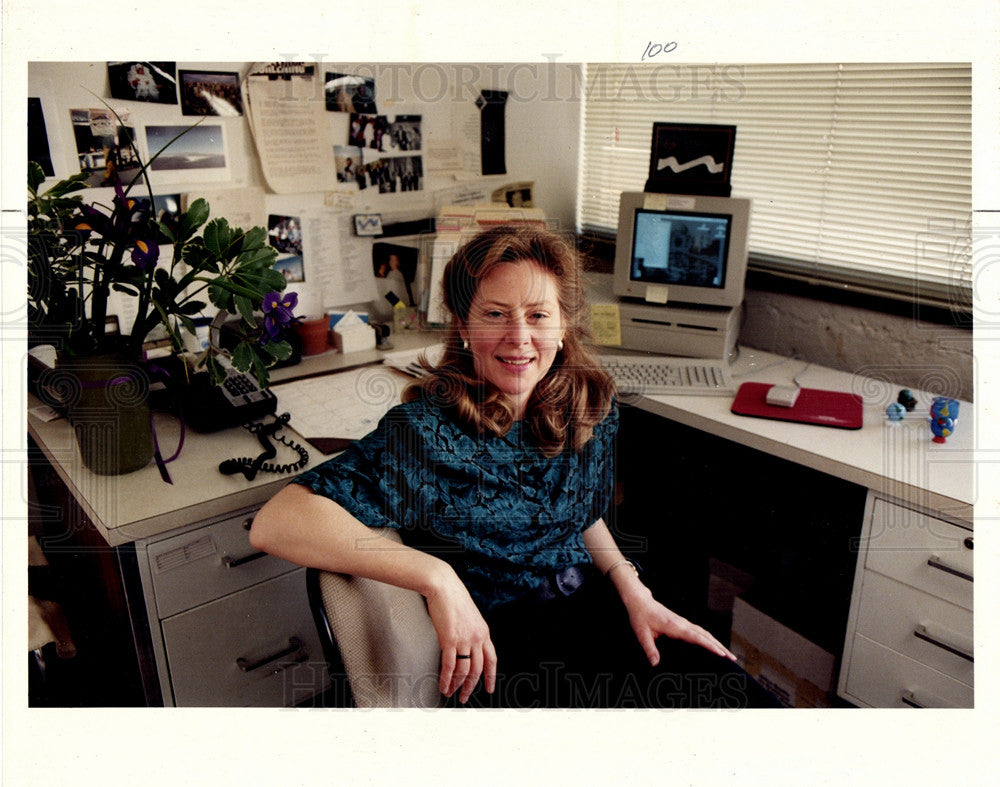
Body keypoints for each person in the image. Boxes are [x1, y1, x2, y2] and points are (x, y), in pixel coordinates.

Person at [251, 225, 778, 708]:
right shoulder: (425, 434)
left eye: (538, 315)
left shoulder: (586, 402)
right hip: (507, 651)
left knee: (746, 706)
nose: (520, 338)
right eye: (495, 314)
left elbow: (577, 513)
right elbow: (278, 521)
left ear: (565, 323)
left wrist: (633, 588)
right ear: (462, 326)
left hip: (600, 606)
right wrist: (437, 578)